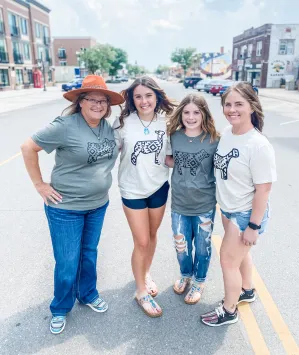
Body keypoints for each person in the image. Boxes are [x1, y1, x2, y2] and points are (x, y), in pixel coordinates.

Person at [21, 75, 125, 334]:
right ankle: (60, 307)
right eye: (92, 99)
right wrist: (40, 185)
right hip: (65, 209)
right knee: (67, 261)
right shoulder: (65, 126)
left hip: (98, 205)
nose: (98, 105)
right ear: (80, 102)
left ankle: (88, 294)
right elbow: (27, 147)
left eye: (103, 101)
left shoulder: (108, 127)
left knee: (89, 254)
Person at [201, 82, 277, 327]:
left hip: (245, 213)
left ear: (252, 106)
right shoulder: (228, 133)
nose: (232, 109)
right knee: (240, 256)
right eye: (228, 104)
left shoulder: (258, 145)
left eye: (238, 104)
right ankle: (247, 290)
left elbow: (264, 189)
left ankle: (229, 310)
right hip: (228, 207)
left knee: (227, 261)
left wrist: (253, 226)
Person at [113, 76, 176, 317]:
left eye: (148, 95)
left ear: (157, 96)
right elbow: (108, 153)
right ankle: (141, 292)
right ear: (132, 99)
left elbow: (169, 157)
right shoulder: (123, 123)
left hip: (159, 186)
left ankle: (146, 273)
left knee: (151, 236)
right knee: (141, 241)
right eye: (138, 96)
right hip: (132, 188)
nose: (143, 101)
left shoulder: (167, 122)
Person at [165, 93, 219, 305]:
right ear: (181, 114)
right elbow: (168, 159)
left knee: (203, 247)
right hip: (179, 203)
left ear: (204, 114)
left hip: (204, 203)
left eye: (196, 112)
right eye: (186, 112)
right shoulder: (174, 136)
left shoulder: (214, 139)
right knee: (181, 246)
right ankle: (185, 274)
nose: (191, 116)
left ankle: (199, 280)